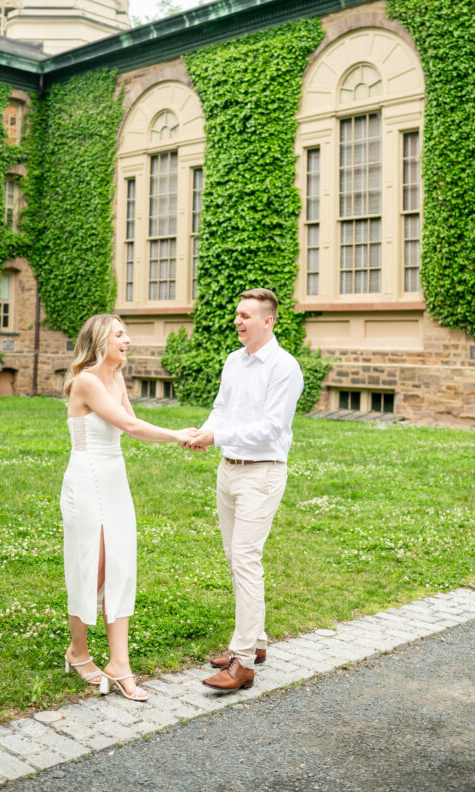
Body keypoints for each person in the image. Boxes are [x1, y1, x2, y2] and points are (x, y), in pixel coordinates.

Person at [61, 313, 198, 701]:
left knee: (120, 565)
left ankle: (119, 664)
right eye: (120, 334)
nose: (128, 340)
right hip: (86, 481)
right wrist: (178, 434)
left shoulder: (116, 376)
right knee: (93, 566)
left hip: (114, 479)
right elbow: (132, 427)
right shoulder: (86, 380)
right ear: (100, 340)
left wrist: (184, 436)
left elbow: (131, 425)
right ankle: (78, 652)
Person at [185, 288, 303, 693]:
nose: (237, 321)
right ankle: (256, 642)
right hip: (228, 470)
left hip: (262, 473)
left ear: (268, 321)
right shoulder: (234, 360)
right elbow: (221, 406)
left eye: (245, 316)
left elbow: (271, 428)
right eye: (237, 315)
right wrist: (206, 431)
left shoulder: (285, 367)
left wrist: (217, 435)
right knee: (235, 560)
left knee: (246, 560)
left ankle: (243, 663)